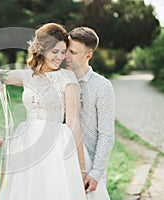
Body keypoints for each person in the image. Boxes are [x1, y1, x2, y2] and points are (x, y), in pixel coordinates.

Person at [0, 23, 110, 200]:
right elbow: (0, 74)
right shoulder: (29, 75)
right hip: (28, 145)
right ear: (42, 49)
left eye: (63, 52)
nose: (60, 57)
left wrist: (81, 167)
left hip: (56, 148)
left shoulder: (67, 79)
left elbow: (73, 123)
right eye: (55, 52)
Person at [64, 27, 115, 193]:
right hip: (59, 161)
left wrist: (96, 173)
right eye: (66, 50)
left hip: (89, 167)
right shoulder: (58, 78)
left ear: (88, 55)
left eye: (73, 52)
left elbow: (107, 134)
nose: (66, 56)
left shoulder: (102, 86)